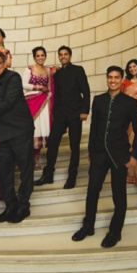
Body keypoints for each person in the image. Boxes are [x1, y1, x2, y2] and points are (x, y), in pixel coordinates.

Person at [71, 66, 137, 248]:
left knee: (119, 195)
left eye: (116, 77)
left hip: (120, 155)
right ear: (106, 78)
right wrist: (90, 151)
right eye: (110, 77)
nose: (113, 80)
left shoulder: (130, 103)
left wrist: (134, 155)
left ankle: (115, 231)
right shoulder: (99, 100)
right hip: (99, 154)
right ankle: (88, 226)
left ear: (121, 80)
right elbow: (94, 126)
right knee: (92, 191)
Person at [0, 52, 35, 223]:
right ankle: (11, 206)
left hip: (20, 130)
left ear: (4, 63)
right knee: (4, 172)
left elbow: (9, 101)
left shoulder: (14, 77)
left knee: (25, 169)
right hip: (3, 134)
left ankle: (23, 205)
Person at [34, 46, 90, 189]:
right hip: (59, 114)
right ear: (59, 57)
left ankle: (72, 177)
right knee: (52, 143)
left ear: (70, 56)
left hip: (75, 114)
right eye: (61, 55)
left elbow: (86, 92)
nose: (63, 56)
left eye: (65, 54)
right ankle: (48, 175)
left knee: (74, 146)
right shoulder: (56, 73)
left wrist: (85, 111)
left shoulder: (78, 70)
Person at [22, 47, 54, 170]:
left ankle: (36, 160)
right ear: (34, 57)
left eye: (42, 55)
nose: (40, 58)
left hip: (44, 103)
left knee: (41, 131)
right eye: (38, 56)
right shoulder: (29, 69)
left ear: (45, 56)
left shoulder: (49, 70)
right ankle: (26, 159)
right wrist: (39, 87)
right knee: (32, 130)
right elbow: (24, 84)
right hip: (32, 101)